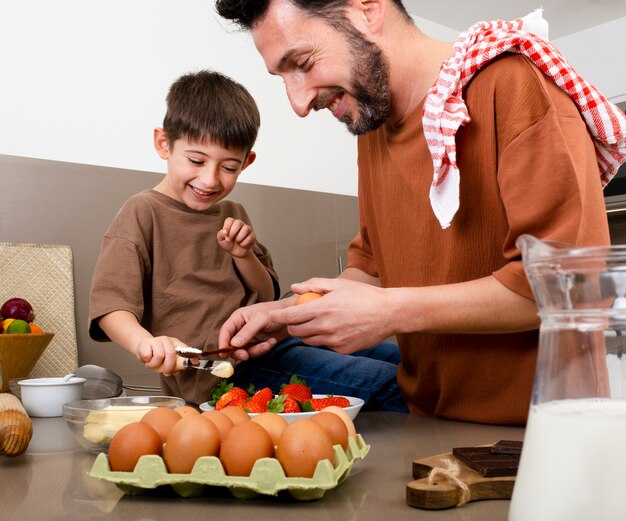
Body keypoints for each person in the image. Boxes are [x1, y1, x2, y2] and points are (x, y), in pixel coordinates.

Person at [215, 0, 626, 424]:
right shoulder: (372, 127)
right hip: (427, 423)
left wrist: (390, 311)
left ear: (367, 10)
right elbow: (371, 268)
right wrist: (284, 315)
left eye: (302, 62)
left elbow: (571, 288)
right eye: (282, 77)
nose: (298, 103)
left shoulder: (515, 87)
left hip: (536, 433)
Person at [88, 69, 407, 411]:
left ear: (247, 162)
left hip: (273, 345)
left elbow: (267, 295)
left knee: (403, 359)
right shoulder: (142, 212)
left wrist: (243, 256)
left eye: (228, 167)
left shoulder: (233, 211)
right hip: (218, 375)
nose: (210, 179)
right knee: (391, 382)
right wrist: (146, 344)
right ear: (163, 144)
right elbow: (110, 305)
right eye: (196, 160)